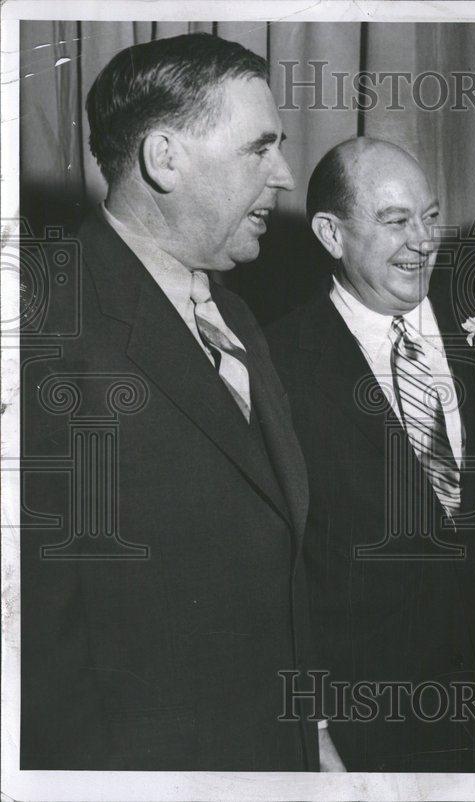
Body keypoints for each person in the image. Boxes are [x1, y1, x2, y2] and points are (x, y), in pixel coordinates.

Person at [19, 33, 317, 770]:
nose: (283, 175)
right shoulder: (45, 335)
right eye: (260, 148)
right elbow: (40, 653)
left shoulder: (239, 319)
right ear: (164, 158)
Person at [266, 137, 475, 772]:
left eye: (429, 217)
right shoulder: (278, 365)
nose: (423, 241)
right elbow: (278, 571)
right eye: (395, 221)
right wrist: (315, 732)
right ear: (331, 234)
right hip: (374, 727)